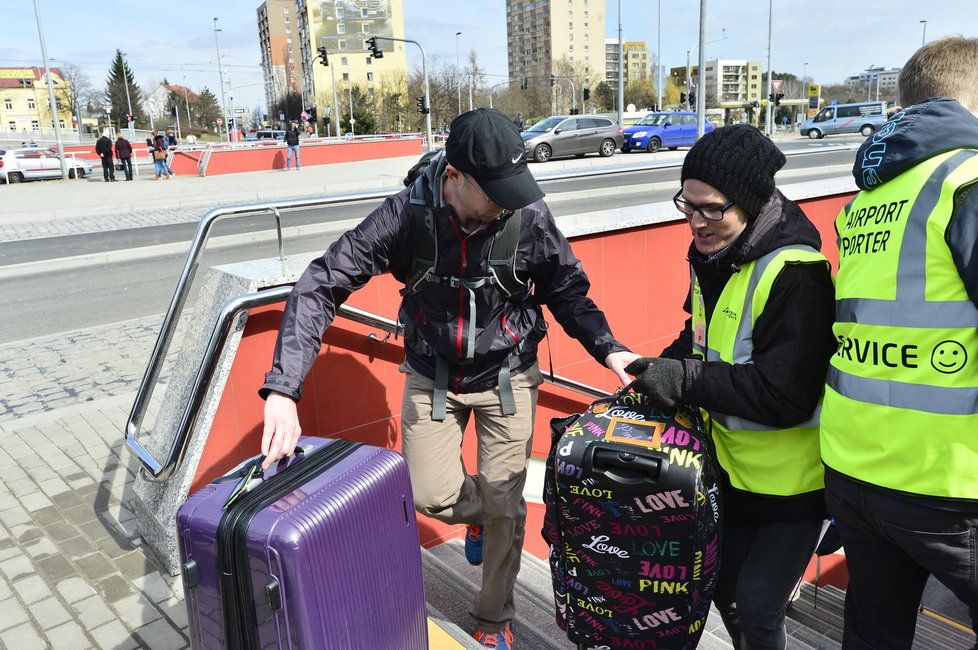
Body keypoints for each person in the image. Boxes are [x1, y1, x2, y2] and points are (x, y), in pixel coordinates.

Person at [259, 108, 638, 649]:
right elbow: (322, 283)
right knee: (428, 494)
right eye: (495, 190)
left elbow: (567, 290)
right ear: (454, 177)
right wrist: (283, 386)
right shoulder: (406, 216)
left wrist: (610, 348)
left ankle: (491, 620)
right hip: (432, 376)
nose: (510, 200)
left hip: (508, 375)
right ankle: (483, 512)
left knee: (508, 506)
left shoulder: (527, 214)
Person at [625, 124, 836, 649]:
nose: (696, 222)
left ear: (748, 201)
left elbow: (785, 395)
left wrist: (684, 381)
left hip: (794, 490)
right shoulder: (714, 258)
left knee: (760, 608)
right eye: (687, 205)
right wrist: (651, 374)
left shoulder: (797, 274)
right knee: (724, 594)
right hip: (730, 474)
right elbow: (699, 339)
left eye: (711, 209)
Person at [820, 36, 978, 648]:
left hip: (857, 472)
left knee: (873, 634)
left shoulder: (871, 196)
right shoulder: (966, 179)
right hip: (947, 480)